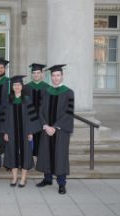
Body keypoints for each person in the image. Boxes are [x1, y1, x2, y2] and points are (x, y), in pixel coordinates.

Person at [36, 64, 75, 195]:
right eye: (53, 75)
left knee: (60, 156)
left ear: (62, 76)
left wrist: (55, 126)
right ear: (50, 77)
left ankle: (62, 183)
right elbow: (40, 111)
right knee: (46, 153)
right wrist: (46, 126)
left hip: (60, 130)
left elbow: (69, 113)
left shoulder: (69, 92)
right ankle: (47, 179)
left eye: (58, 75)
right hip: (47, 129)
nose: (56, 78)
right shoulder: (46, 92)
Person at [3, 75, 41, 187]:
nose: (17, 86)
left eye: (19, 84)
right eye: (15, 85)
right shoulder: (8, 100)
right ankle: (14, 178)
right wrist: (5, 132)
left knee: (25, 153)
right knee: (12, 153)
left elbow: (32, 117)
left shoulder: (27, 100)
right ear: (12, 87)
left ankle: (23, 179)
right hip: (11, 131)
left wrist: (30, 132)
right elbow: (4, 118)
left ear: (22, 86)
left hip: (25, 131)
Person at [24, 63, 50, 158]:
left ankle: (40, 159)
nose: (36, 75)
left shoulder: (47, 88)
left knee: (41, 139)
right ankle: (29, 159)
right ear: (31, 74)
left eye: (38, 73)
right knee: (29, 139)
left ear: (42, 74)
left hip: (43, 119)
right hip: (29, 118)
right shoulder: (26, 87)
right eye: (34, 73)